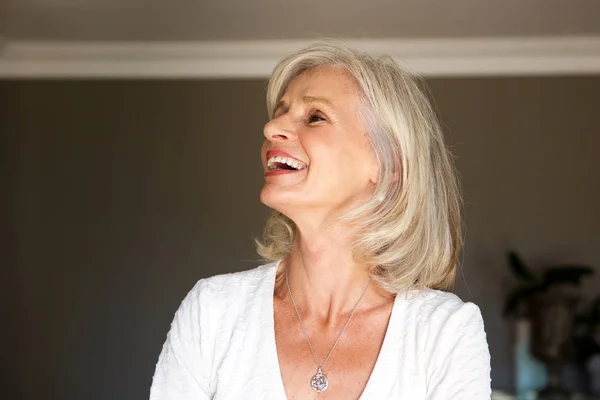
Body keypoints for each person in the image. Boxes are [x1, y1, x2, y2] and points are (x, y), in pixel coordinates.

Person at [149, 41, 491, 399]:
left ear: (387, 163)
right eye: (279, 113)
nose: (271, 129)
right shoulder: (213, 311)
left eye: (315, 117)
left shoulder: (445, 332)